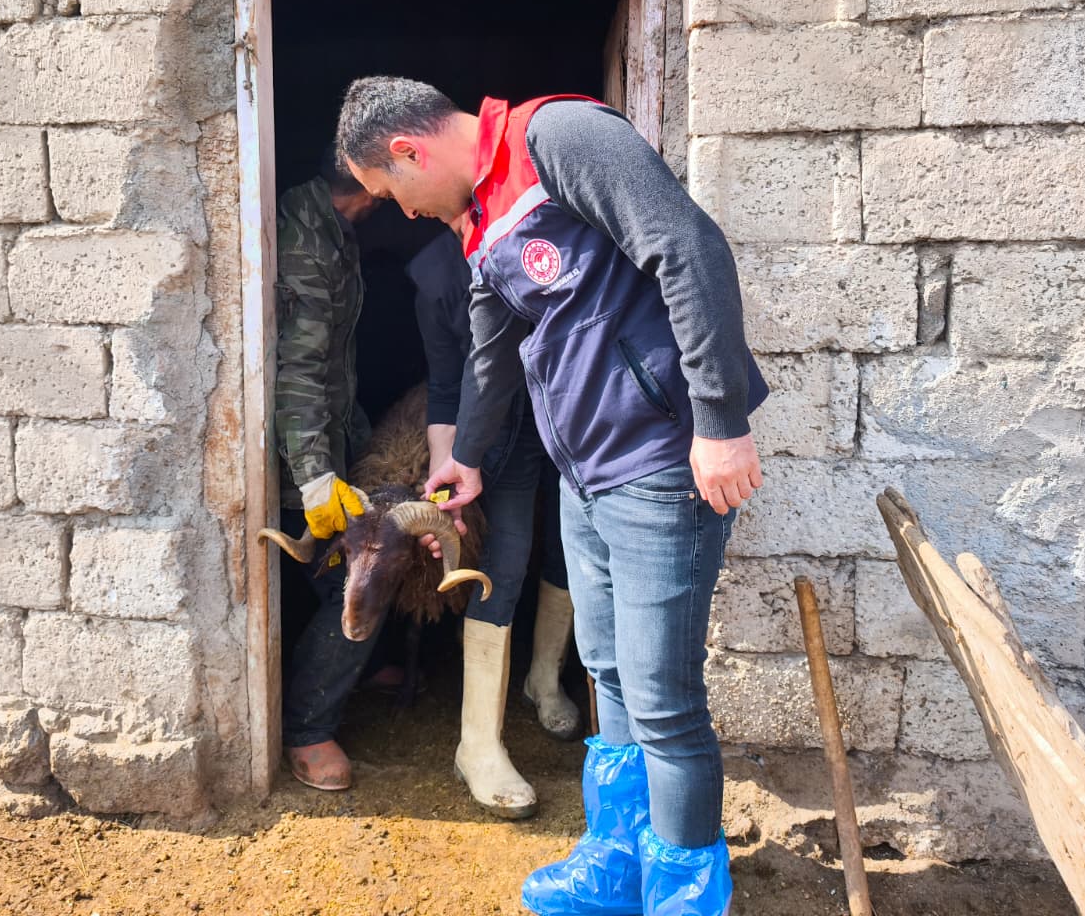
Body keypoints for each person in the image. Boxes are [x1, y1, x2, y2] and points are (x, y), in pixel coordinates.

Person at [337, 78, 768, 916]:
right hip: (585, 474)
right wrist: (466, 459)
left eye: (394, 193)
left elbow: (688, 247)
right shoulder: (483, 218)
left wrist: (720, 420)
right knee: (607, 673)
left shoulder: (559, 138)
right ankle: (617, 859)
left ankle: (684, 893)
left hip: (657, 461)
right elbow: (492, 347)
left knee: (663, 701)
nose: (406, 213)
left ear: (408, 150)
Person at [406, 225, 580, 821]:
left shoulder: (546, 234)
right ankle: (478, 744)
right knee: (500, 568)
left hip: (579, 422)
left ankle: (544, 680)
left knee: (569, 552)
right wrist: (442, 482)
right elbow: (444, 383)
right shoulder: (436, 275)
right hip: (500, 439)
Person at [272, 150, 380, 791]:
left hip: (329, 436)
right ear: (368, 187)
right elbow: (301, 370)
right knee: (355, 583)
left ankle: (358, 665)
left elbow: (337, 362)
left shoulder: (334, 230)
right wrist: (314, 476)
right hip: (297, 446)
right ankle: (308, 728)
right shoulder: (308, 245)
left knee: (341, 580)